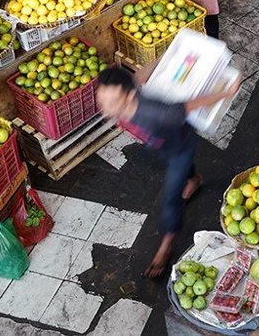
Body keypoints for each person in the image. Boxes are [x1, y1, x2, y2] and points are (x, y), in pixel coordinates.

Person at [96, 65, 241, 277]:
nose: (105, 109)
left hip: (180, 148)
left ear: (129, 96)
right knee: (178, 166)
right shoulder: (125, 92)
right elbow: (137, 76)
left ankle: (165, 247)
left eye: (111, 103)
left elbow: (190, 106)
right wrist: (165, 56)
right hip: (163, 144)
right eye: (102, 101)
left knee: (171, 199)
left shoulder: (158, 114)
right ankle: (194, 179)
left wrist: (227, 93)